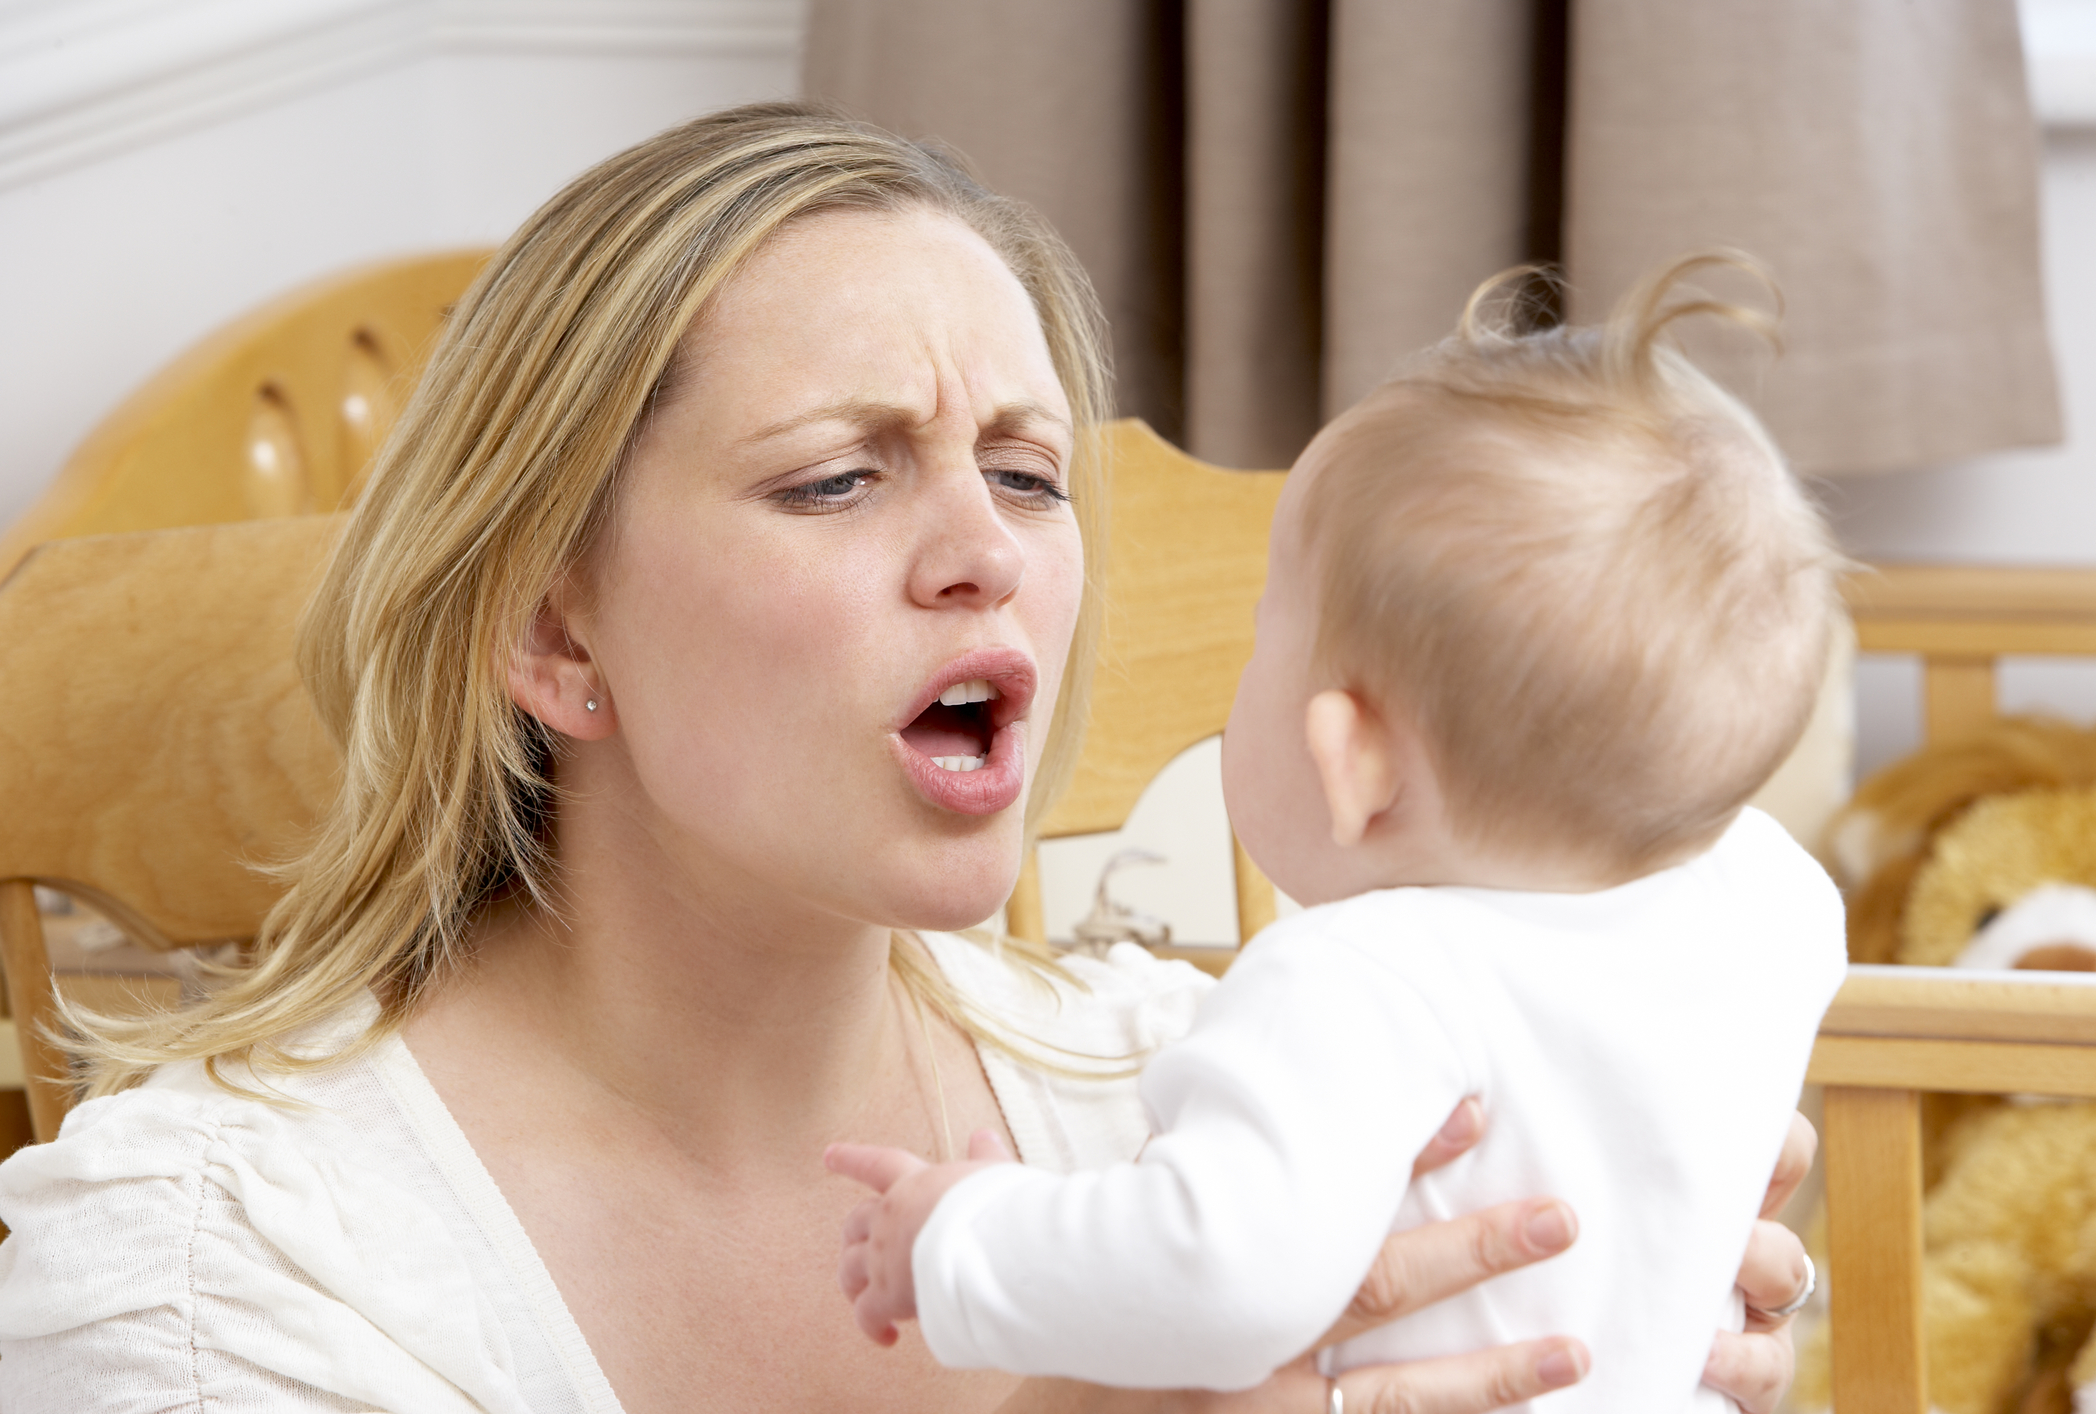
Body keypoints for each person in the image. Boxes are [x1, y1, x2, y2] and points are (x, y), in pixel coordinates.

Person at [0, 104, 1812, 1414]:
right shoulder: (210, 1280)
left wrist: (1651, 1316)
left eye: (1026, 472)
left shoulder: (1208, 1109)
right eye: (837, 476)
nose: (990, 550)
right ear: (556, 633)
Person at [827, 257, 1847, 1409]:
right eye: (831, 480)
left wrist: (961, 1237)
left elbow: (1216, 1273)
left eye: (1267, 630)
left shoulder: (1356, 983)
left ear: (1347, 761)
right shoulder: (1775, 907)